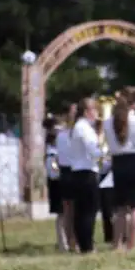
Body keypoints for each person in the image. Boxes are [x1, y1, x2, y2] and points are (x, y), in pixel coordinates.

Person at [104, 86, 135, 252]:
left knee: (120, 207)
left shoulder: (108, 122)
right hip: (134, 162)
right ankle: (130, 245)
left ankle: (117, 244)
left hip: (117, 163)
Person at [69, 98, 102, 254]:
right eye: (94, 109)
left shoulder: (80, 127)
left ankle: (84, 244)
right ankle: (87, 245)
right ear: (87, 111)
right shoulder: (84, 128)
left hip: (79, 172)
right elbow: (94, 151)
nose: (96, 113)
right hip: (86, 173)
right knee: (88, 210)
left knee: (82, 211)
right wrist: (102, 141)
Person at [56, 102, 77, 251]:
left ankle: (71, 241)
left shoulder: (61, 134)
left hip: (66, 172)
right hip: (71, 171)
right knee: (72, 211)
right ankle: (72, 241)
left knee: (69, 211)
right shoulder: (68, 134)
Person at [45, 122, 69, 251]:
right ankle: (62, 243)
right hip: (57, 186)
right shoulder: (52, 155)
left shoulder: (57, 153)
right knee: (62, 215)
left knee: (65, 214)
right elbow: (53, 173)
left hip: (61, 184)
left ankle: (66, 241)